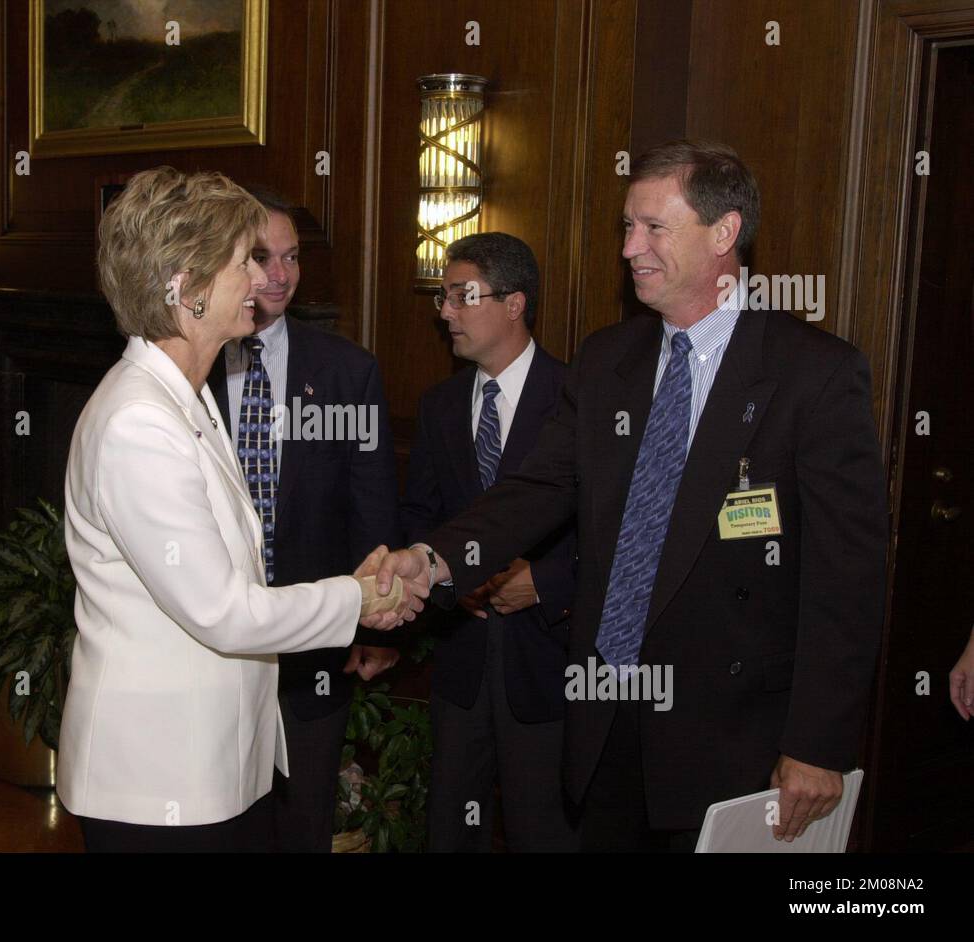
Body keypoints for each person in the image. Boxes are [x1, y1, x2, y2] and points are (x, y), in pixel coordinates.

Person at [367, 140, 888, 851]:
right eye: (625, 227)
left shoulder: (812, 374)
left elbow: (847, 578)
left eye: (652, 227)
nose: (629, 248)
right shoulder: (609, 359)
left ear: (725, 232)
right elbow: (537, 489)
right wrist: (432, 558)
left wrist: (820, 742)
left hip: (733, 734)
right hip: (603, 716)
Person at [57, 167, 422, 852]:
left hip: (213, 758)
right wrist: (359, 600)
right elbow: (223, 610)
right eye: (241, 262)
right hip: (159, 776)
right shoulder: (140, 421)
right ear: (187, 290)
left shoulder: (186, 396)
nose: (261, 280)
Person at [206, 188, 403, 852]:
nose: (282, 276)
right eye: (262, 257)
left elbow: (371, 506)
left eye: (291, 257)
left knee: (301, 821)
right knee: (220, 819)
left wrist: (372, 615)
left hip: (312, 649)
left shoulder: (347, 372)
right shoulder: (188, 370)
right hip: (209, 647)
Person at [401, 232, 577, 851]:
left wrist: (546, 581)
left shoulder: (579, 399)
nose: (444, 311)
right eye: (442, 297)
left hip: (550, 665)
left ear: (513, 303)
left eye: (460, 296)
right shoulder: (440, 406)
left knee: (543, 832)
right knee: (452, 828)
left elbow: (617, 530)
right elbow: (419, 516)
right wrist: (448, 578)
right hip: (461, 667)